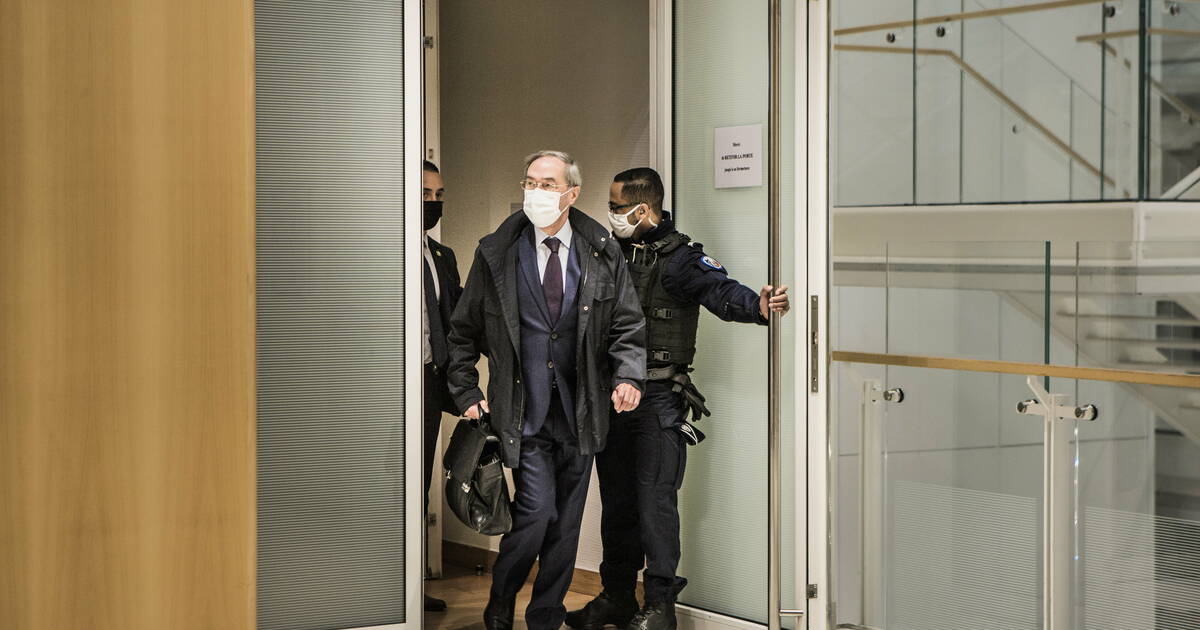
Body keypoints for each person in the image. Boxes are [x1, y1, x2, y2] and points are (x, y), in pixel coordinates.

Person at [565, 167, 791, 630]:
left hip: (658, 401)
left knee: (656, 506)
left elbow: (720, 290)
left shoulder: (682, 258)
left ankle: (660, 607)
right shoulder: (608, 253)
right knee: (618, 505)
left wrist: (757, 306)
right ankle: (617, 598)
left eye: (616, 207)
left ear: (642, 209)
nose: (610, 214)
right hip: (613, 399)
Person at [446, 150, 647, 630]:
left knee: (565, 525)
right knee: (536, 513)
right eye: (530, 182)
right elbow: (462, 330)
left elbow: (627, 323)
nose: (536, 192)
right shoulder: (497, 253)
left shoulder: (601, 250)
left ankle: (545, 617)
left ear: (571, 194)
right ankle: (501, 597)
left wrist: (628, 375)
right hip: (524, 411)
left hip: (582, 411)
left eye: (548, 184)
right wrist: (466, 390)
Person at [420, 159, 462, 613]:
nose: (434, 202)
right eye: (425, 194)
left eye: (439, 195)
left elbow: (460, 318)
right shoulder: (381, 248)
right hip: (382, 388)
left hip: (430, 386)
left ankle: (409, 589)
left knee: (419, 485)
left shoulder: (441, 255)